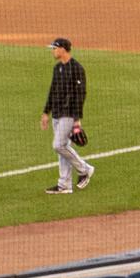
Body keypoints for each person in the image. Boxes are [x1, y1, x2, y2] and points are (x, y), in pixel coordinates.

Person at [40, 37, 93, 194]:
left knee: (58, 145)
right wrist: (45, 112)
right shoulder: (58, 69)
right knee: (62, 147)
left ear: (63, 49)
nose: (53, 51)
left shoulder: (77, 68)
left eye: (54, 48)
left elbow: (80, 94)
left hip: (69, 114)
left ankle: (85, 169)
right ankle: (64, 185)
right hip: (57, 113)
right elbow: (52, 91)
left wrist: (77, 119)